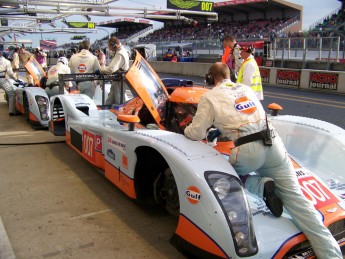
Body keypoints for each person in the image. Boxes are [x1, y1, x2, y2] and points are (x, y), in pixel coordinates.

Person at [184, 62, 342, 259]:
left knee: (223, 176)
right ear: (231, 74)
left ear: (209, 79)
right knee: (300, 203)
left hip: (248, 150)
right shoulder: (246, 89)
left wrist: (186, 130)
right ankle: (332, 255)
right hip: (274, 144)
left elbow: (196, 132)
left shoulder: (209, 97)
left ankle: (259, 184)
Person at [98, 36, 129, 105]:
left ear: (114, 45)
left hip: (119, 81)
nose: (109, 48)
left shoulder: (120, 54)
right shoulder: (121, 51)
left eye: (109, 46)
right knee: (109, 101)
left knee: (119, 102)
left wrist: (100, 70)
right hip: (116, 80)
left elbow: (111, 69)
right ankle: (106, 111)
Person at [0, 51, 19, 116]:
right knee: (11, 93)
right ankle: (12, 111)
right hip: (2, 79)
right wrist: (16, 79)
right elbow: (10, 73)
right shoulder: (6, 62)